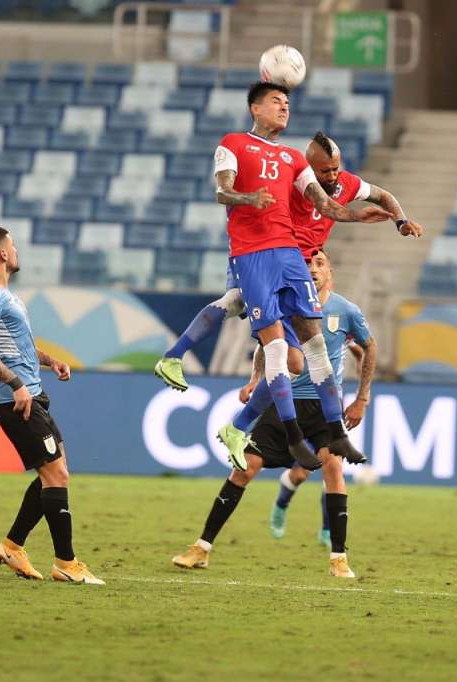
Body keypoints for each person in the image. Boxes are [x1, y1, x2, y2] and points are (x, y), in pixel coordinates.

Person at [163, 81, 391, 472]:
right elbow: (222, 192)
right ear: (255, 108)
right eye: (275, 101)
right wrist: (249, 198)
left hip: (288, 254)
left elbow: (325, 204)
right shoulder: (233, 143)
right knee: (270, 342)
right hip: (252, 253)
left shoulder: (292, 158)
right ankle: (178, 360)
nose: (284, 107)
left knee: (309, 351)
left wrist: (359, 216)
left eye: (287, 102)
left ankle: (330, 432)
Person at [153, 130, 421, 397]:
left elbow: (383, 196)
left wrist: (400, 221)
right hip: (265, 256)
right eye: (324, 171)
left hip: (298, 267)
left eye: (335, 169)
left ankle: (258, 404)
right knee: (237, 302)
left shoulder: (347, 183)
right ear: (308, 169)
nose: (331, 176)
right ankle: (176, 356)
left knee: (293, 359)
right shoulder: (289, 182)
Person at [171, 250, 372, 578]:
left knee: (333, 468)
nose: (312, 269)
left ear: (330, 272)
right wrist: (254, 379)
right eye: (307, 263)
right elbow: (269, 345)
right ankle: (201, 548)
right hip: (284, 403)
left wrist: (362, 398)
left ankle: (339, 558)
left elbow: (368, 347)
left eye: (319, 263)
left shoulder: (346, 310)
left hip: (323, 408)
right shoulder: (287, 301)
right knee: (244, 469)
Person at [0, 225, 103, 585]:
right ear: (2, 254)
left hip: (32, 394)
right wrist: (16, 385)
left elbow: (20, 347)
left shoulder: (7, 296)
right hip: (15, 400)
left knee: (56, 473)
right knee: (55, 474)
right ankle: (66, 563)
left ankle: (13, 546)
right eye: (12, 245)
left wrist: (50, 360)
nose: (16, 251)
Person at [267, 341, 369, 546]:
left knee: (333, 470)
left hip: (329, 411)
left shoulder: (337, 329)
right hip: (300, 406)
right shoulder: (298, 328)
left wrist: (363, 394)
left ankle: (327, 530)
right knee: (299, 475)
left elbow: (362, 353)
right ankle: (281, 504)